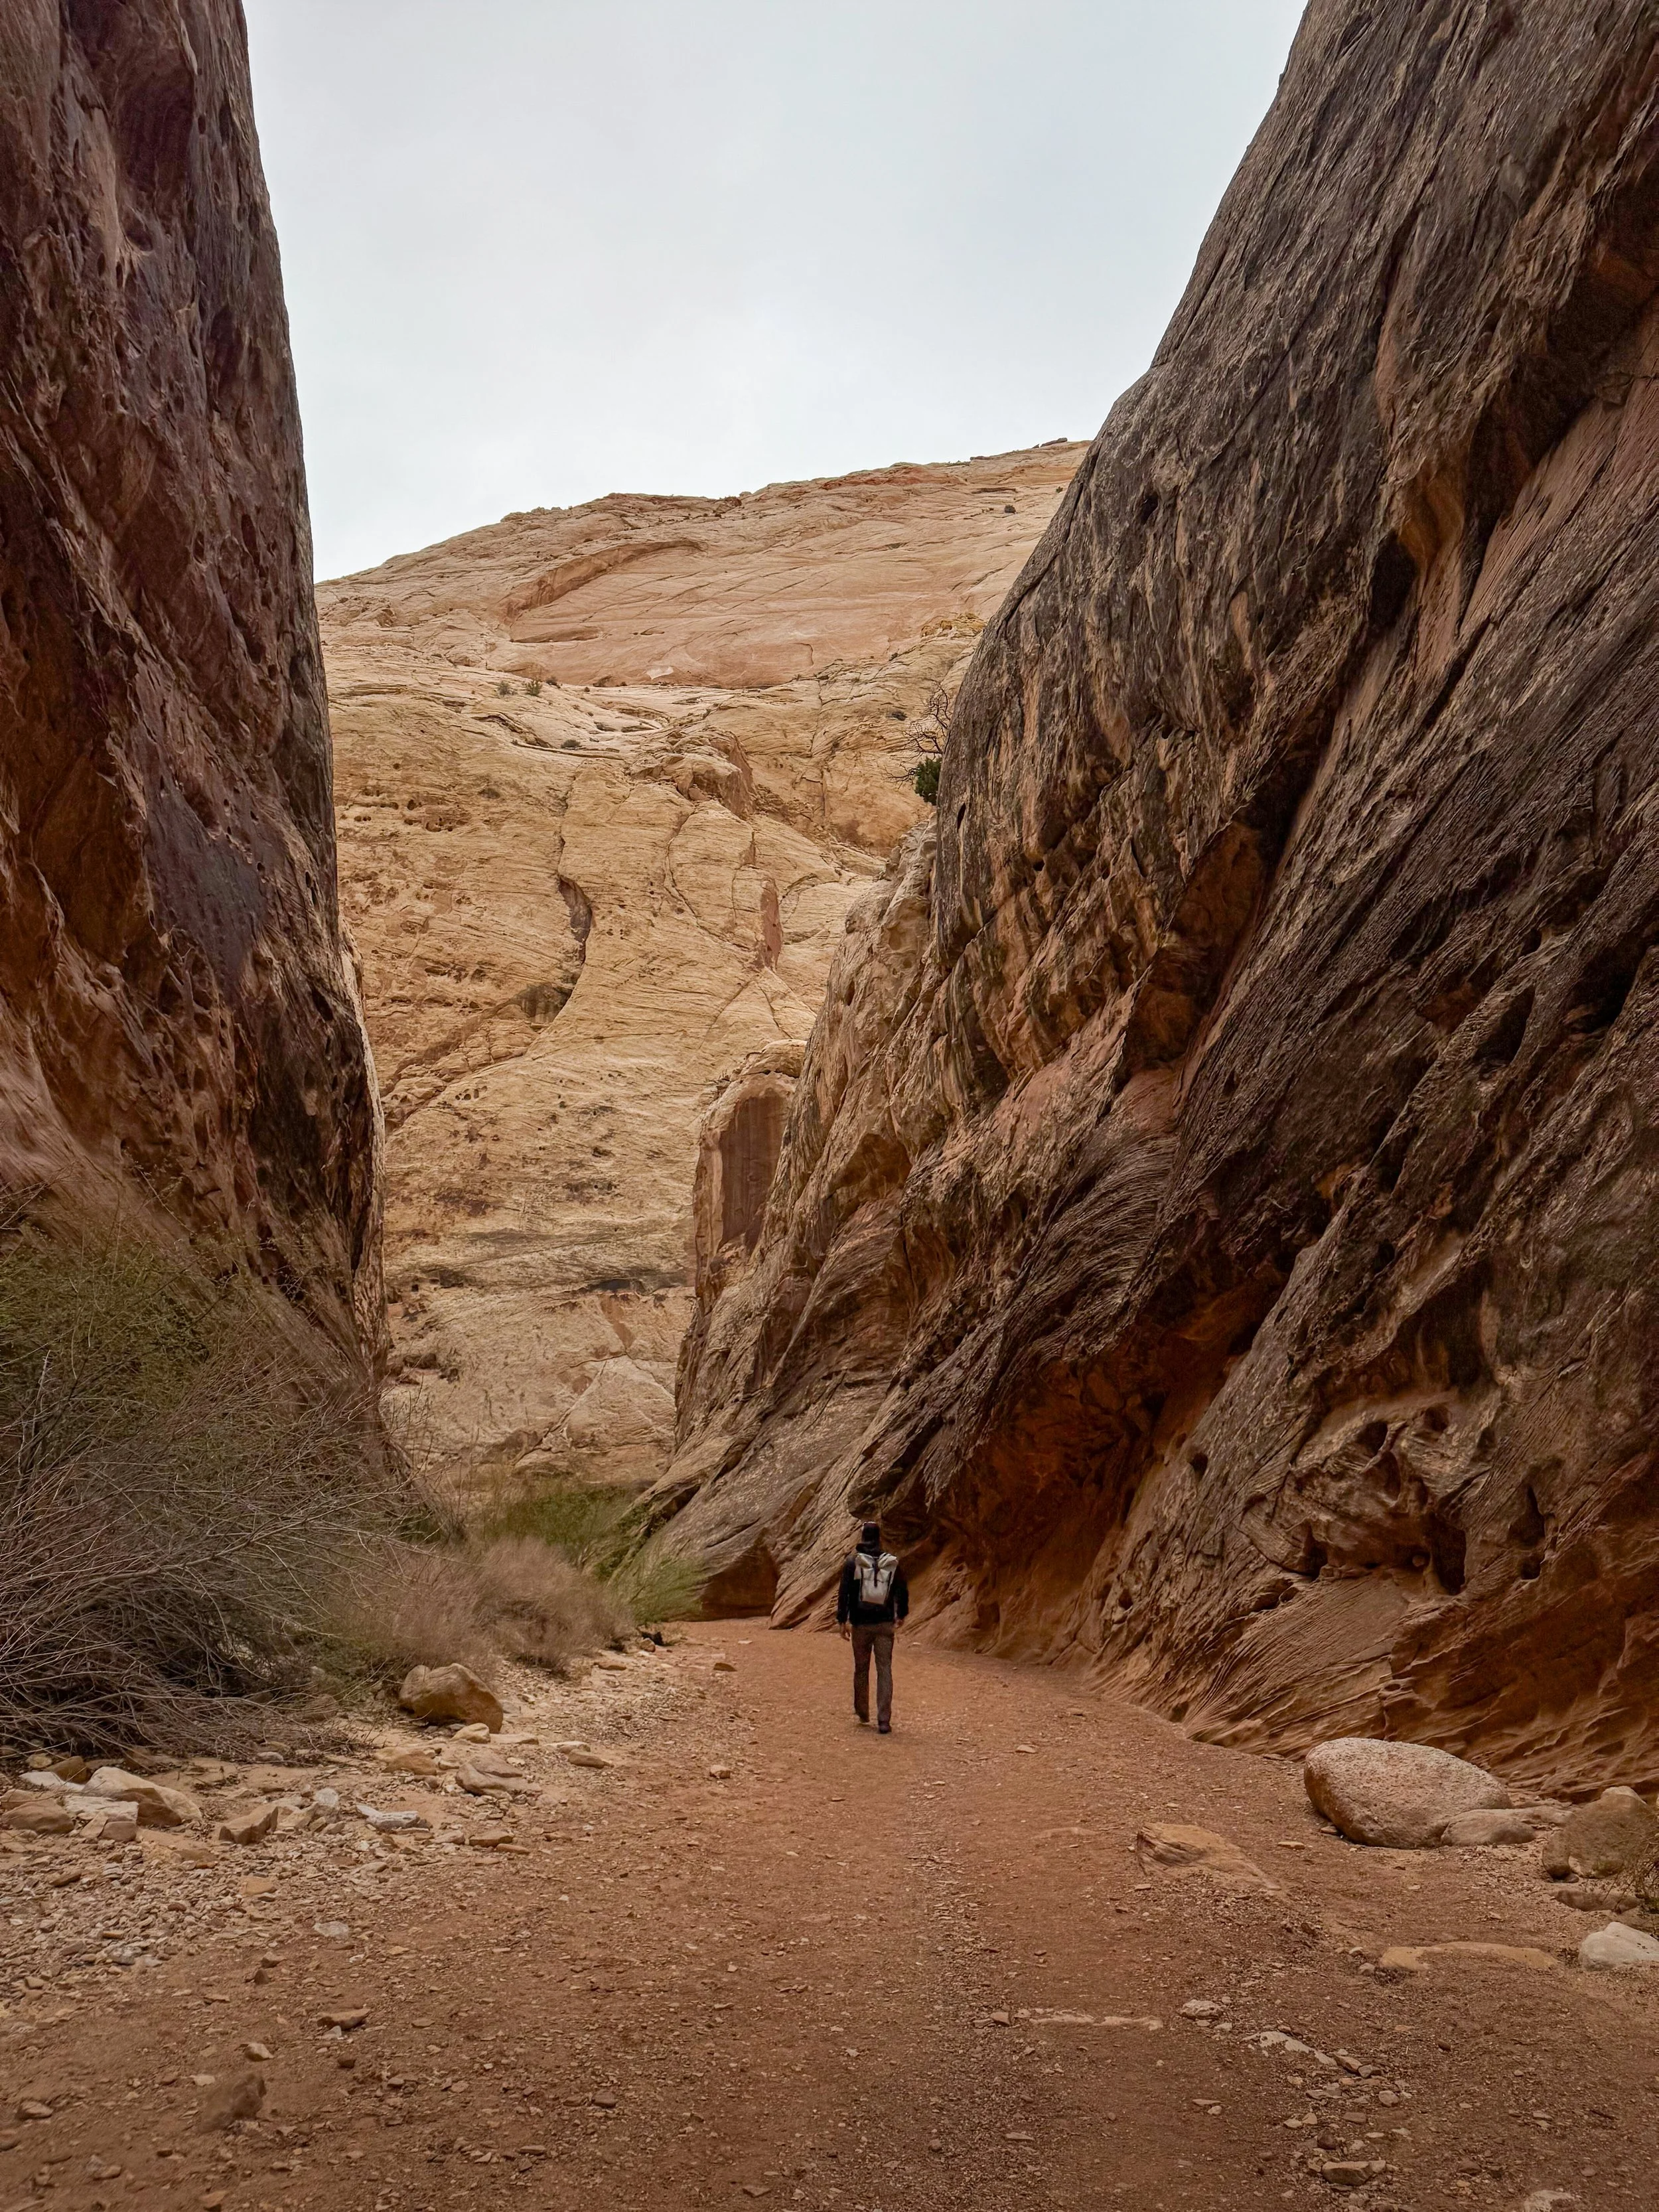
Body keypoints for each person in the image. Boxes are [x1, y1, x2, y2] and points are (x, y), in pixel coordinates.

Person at [836, 1520, 908, 1733]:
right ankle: (884, 1720)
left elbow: (845, 1593)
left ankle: (863, 1712)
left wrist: (843, 1621)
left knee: (861, 1668)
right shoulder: (891, 1562)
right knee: (884, 1669)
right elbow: (901, 1590)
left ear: (862, 1536)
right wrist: (901, 1614)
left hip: (861, 1625)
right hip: (885, 1624)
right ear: (879, 1537)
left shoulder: (853, 1563)